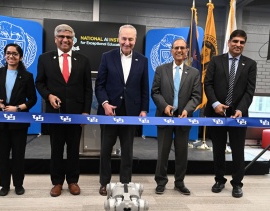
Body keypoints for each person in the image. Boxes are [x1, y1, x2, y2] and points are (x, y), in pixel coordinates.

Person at [35, 24, 93, 197]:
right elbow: (40, 83)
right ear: (55, 39)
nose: (65, 40)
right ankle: (57, 182)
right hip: (55, 113)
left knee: (74, 149)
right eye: (62, 36)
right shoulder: (45, 59)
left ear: (73, 40)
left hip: (76, 113)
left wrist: (85, 113)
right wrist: (48, 96)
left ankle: (73, 181)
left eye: (69, 37)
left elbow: (87, 89)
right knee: (56, 149)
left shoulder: (83, 60)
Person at [95, 24, 149, 196]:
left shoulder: (142, 60)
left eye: (131, 39)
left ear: (135, 40)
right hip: (109, 112)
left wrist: (144, 110)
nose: (127, 42)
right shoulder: (107, 57)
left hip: (131, 113)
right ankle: (104, 183)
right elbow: (100, 85)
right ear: (118, 38)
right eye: (124, 38)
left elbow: (144, 87)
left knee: (128, 151)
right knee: (105, 150)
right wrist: (104, 104)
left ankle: (125, 182)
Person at [204, 29, 257, 198]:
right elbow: (208, 84)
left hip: (238, 116)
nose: (238, 45)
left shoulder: (250, 64)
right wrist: (215, 104)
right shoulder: (215, 60)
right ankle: (219, 180)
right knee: (218, 149)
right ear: (229, 42)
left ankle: (237, 183)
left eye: (242, 42)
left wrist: (241, 109)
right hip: (217, 113)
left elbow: (250, 91)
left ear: (244, 45)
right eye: (235, 41)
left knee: (238, 150)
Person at [0, 43, 37, 196]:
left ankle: (18, 184)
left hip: (19, 121)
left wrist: (18, 108)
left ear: (20, 57)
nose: (11, 56)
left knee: (19, 154)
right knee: (2, 155)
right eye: (8, 53)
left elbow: (32, 99)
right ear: (5, 55)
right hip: (0, 120)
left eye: (14, 54)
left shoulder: (27, 76)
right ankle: (4, 185)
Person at [151, 38, 201, 196]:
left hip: (183, 118)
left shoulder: (194, 73)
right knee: (163, 152)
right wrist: (164, 106)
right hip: (164, 117)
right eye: (176, 48)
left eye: (182, 48)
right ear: (171, 51)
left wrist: (187, 110)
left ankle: (179, 182)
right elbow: (155, 91)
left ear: (187, 51)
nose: (179, 50)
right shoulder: (161, 69)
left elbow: (196, 96)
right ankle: (160, 181)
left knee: (182, 153)